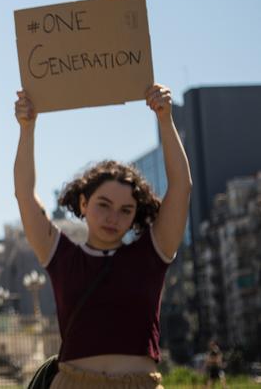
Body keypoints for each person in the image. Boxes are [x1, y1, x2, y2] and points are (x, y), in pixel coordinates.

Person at [13, 84, 192, 389]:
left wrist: (165, 119)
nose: (113, 217)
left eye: (126, 210)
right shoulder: (61, 255)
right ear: (83, 204)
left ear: (136, 214)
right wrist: (27, 128)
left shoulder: (151, 253)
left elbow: (181, 187)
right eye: (103, 205)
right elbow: (25, 194)